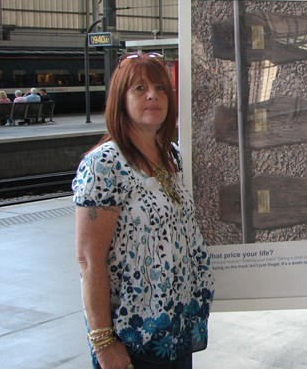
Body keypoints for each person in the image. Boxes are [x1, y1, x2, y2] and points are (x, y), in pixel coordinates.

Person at [73, 53, 215, 369]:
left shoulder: (173, 156)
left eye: (161, 88)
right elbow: (89, 259)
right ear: (121, 101)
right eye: (139, 88)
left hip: (174, 333)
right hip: (133, 338)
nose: (153, 95)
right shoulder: (104, 165)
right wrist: (104, 342)